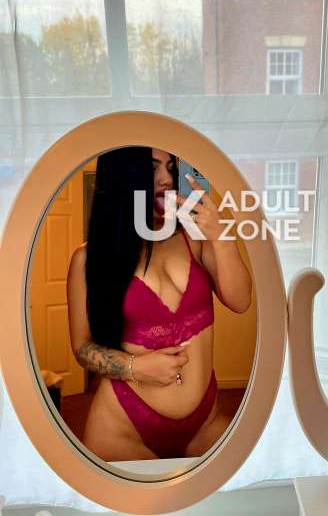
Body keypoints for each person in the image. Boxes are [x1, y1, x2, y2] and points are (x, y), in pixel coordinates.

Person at [66, 146, 252, 461]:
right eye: (152, 169)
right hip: (122, 424)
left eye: (170, 167)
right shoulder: (89, 259)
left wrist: (222, 237)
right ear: (124, 179)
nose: (167, 179)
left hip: (204, 421)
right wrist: (135, 367)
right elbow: (82, 347)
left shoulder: (194, 238)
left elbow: (241, 300)